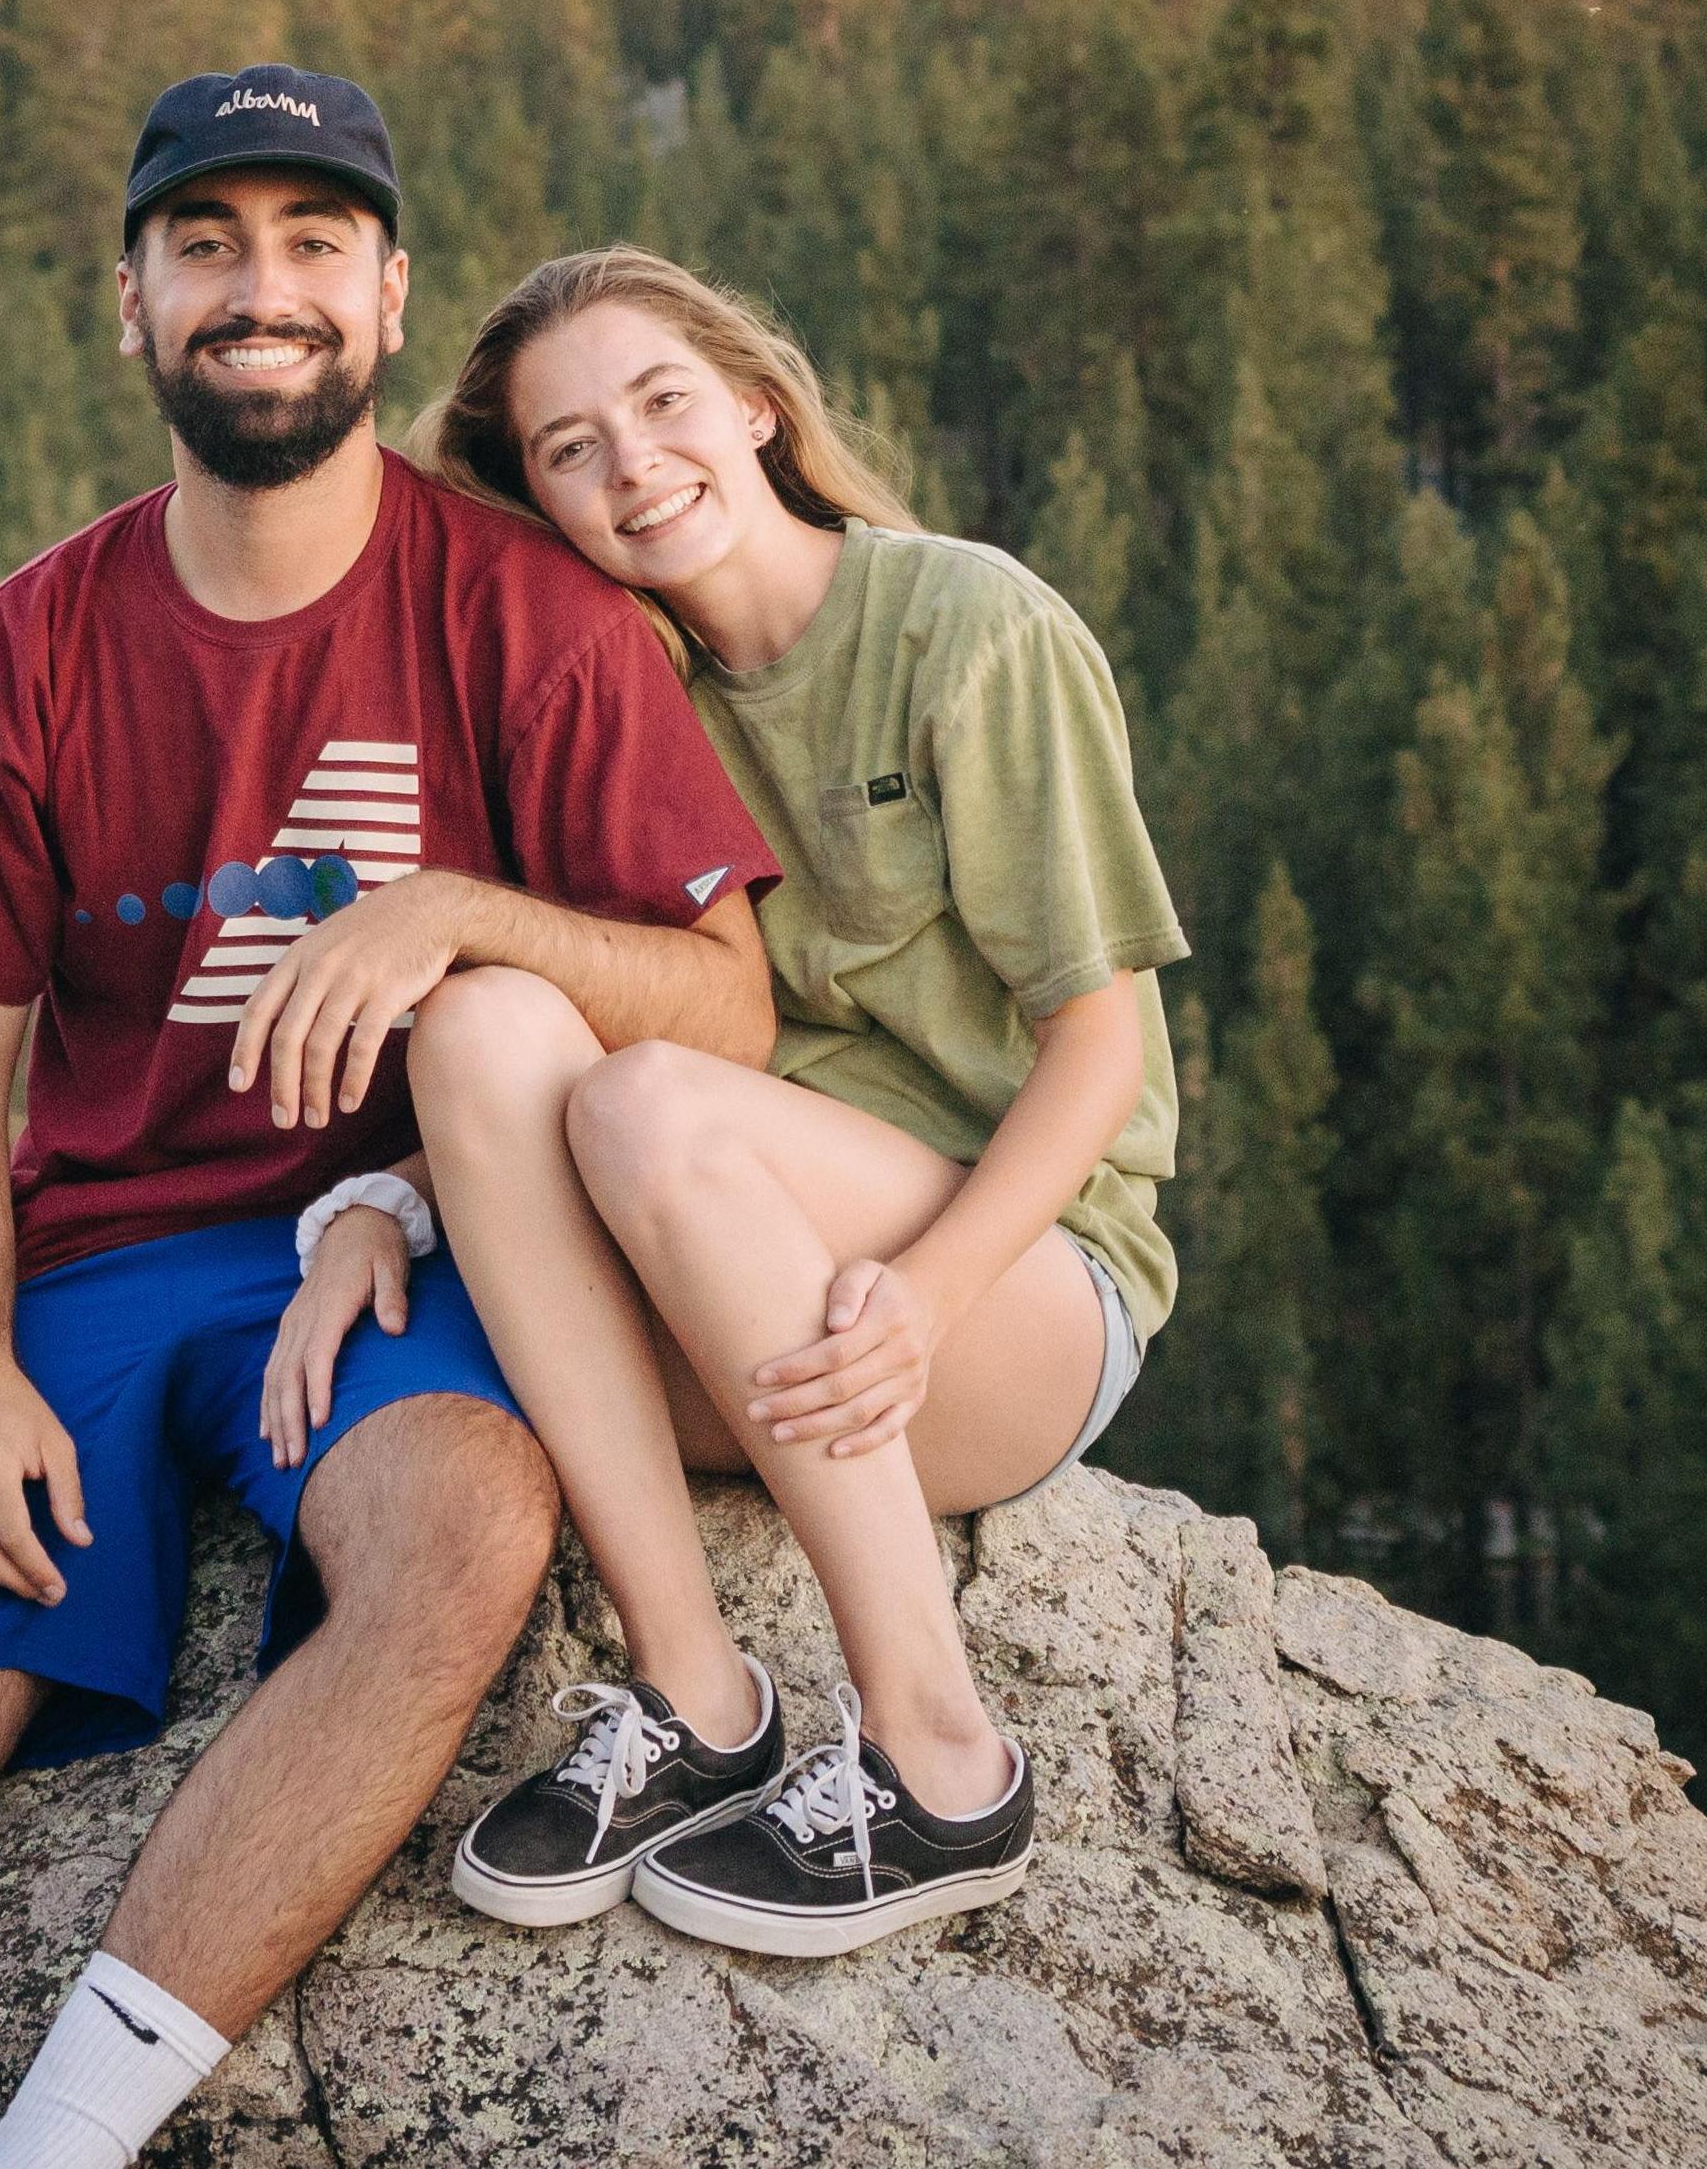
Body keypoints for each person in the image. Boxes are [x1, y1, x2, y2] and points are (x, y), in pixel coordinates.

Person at [0, 85, 780, 2169]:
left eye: (317, 243)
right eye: (211, 244)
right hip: (80, 1273)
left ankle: (57, 2145)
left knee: (464, 1534)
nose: (266, 291)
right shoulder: (28, 652)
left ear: (392, 297)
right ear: (132, 302)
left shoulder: (528, 619)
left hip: (398, 1249)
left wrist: (460, 924)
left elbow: (725, 1004)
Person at [377, 243, 1190, 1960]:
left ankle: (946, 1766)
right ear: (539, 498)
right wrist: (370, 1216)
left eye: (662, 402)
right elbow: (530, 1025)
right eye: (569, 448)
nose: (632, 463)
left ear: (755, 405)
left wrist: (926, 1296)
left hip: (1015, 1293)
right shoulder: (619, 688)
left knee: (653, 1107)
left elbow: (1099, 1052)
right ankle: (696, 1696)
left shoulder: (966, 622)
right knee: (480, 1031)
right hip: (746, 1295)